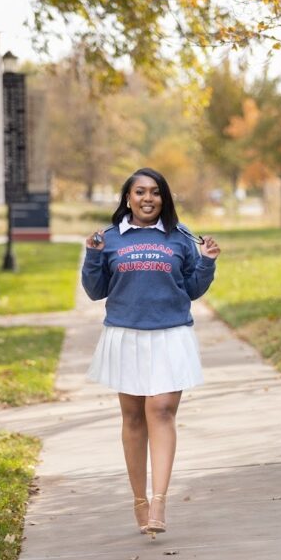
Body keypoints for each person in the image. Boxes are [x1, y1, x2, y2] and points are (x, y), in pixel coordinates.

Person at [81, 167, 221, 537]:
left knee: (160, 410)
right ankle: (138, 499)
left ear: (164, 198)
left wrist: (206, 261)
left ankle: (159, 499)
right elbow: (95, 291)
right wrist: (93, 255)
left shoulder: (179, 238)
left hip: (171, 335)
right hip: (126, 335)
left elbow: (191, 289)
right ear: (127, 198)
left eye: (155, 192)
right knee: (133, 418)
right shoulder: (109, 239)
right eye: (140, 192)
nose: (148, 198)